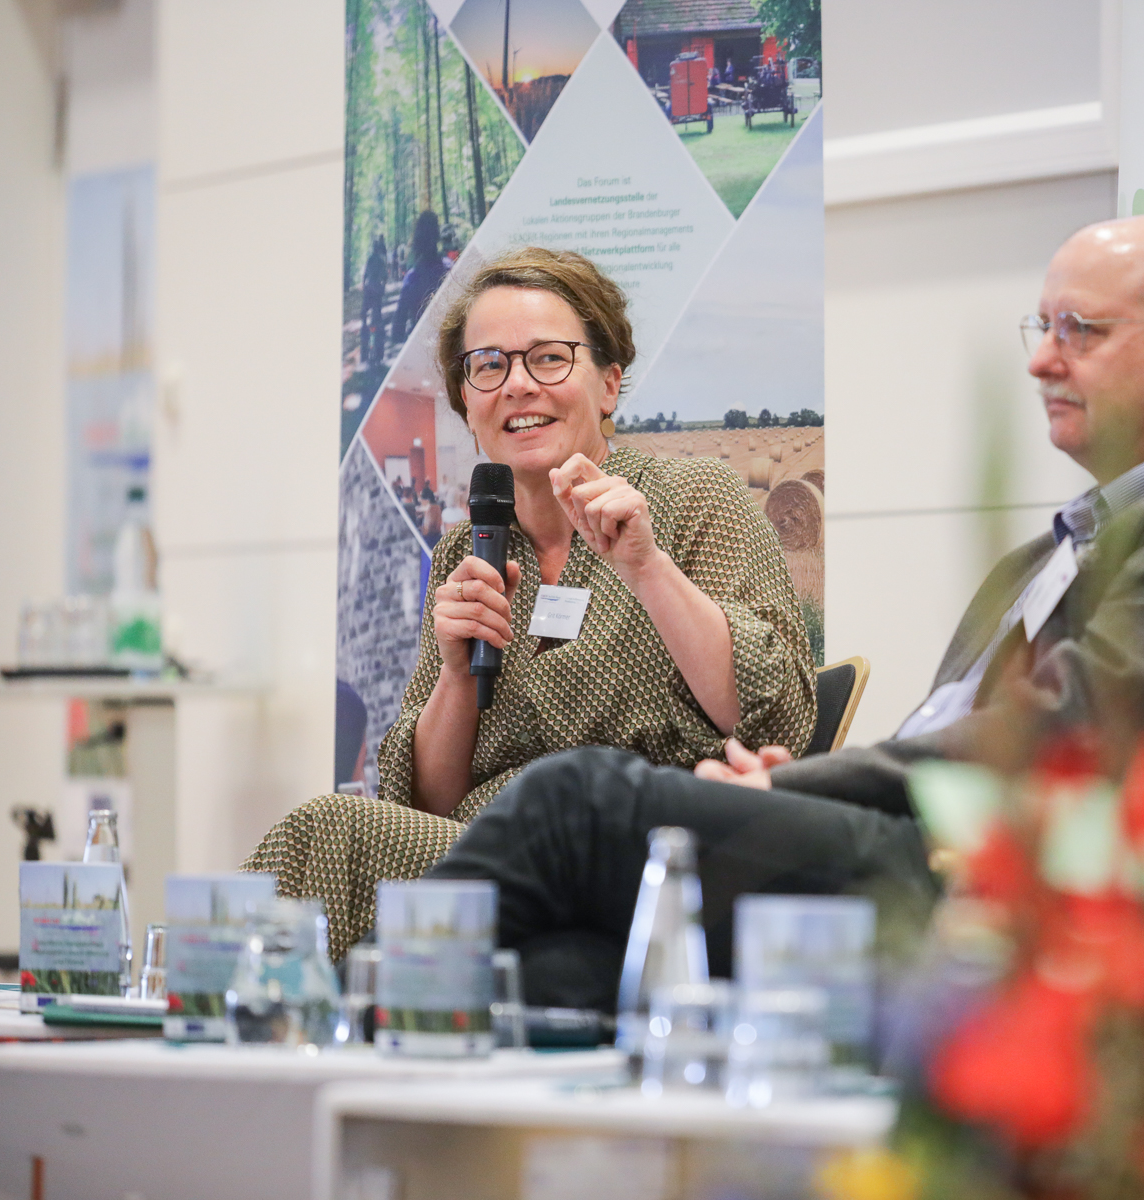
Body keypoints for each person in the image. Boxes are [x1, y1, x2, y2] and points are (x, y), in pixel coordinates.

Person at [424, 215, 1144, 1009]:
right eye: (1043, 327)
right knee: (565, 971)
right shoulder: (1040, 557)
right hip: (918, 848)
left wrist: (796, 789)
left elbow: (1070, 733)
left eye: (1080, 330)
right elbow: (955, 733)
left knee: (577, 800)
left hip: (988, 879)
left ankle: (366, 1008)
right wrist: (801, 782)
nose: (1042, 359)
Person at [247, 246, 817, 956]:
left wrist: (648, 569)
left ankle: (225, 1003)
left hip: (642, 856)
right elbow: (422, 805)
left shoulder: (696, 501)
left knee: (331, 830)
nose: (517, 385)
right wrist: (457, 677)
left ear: (608, 384)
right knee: (350, 838)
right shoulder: (467, 552)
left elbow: (779, 718)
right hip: (488, 857)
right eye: (488, 365)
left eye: (548, 359)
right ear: (468, 404)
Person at [390, 210, 448, 345]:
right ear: (437, 236)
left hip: (421, 346)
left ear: (417, 240)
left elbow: (397, 331)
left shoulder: (412, 279)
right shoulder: (451, 270)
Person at [360, 235, 387, 366]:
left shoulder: (370, 259)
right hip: (377, 288)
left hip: (369, 287)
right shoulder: (381, 260)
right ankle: (378, 350)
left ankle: (364, 332)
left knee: (364, 313)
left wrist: (364, 285)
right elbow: (385, 276)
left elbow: (365, 274)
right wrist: (383, 287)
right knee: (377, 316)